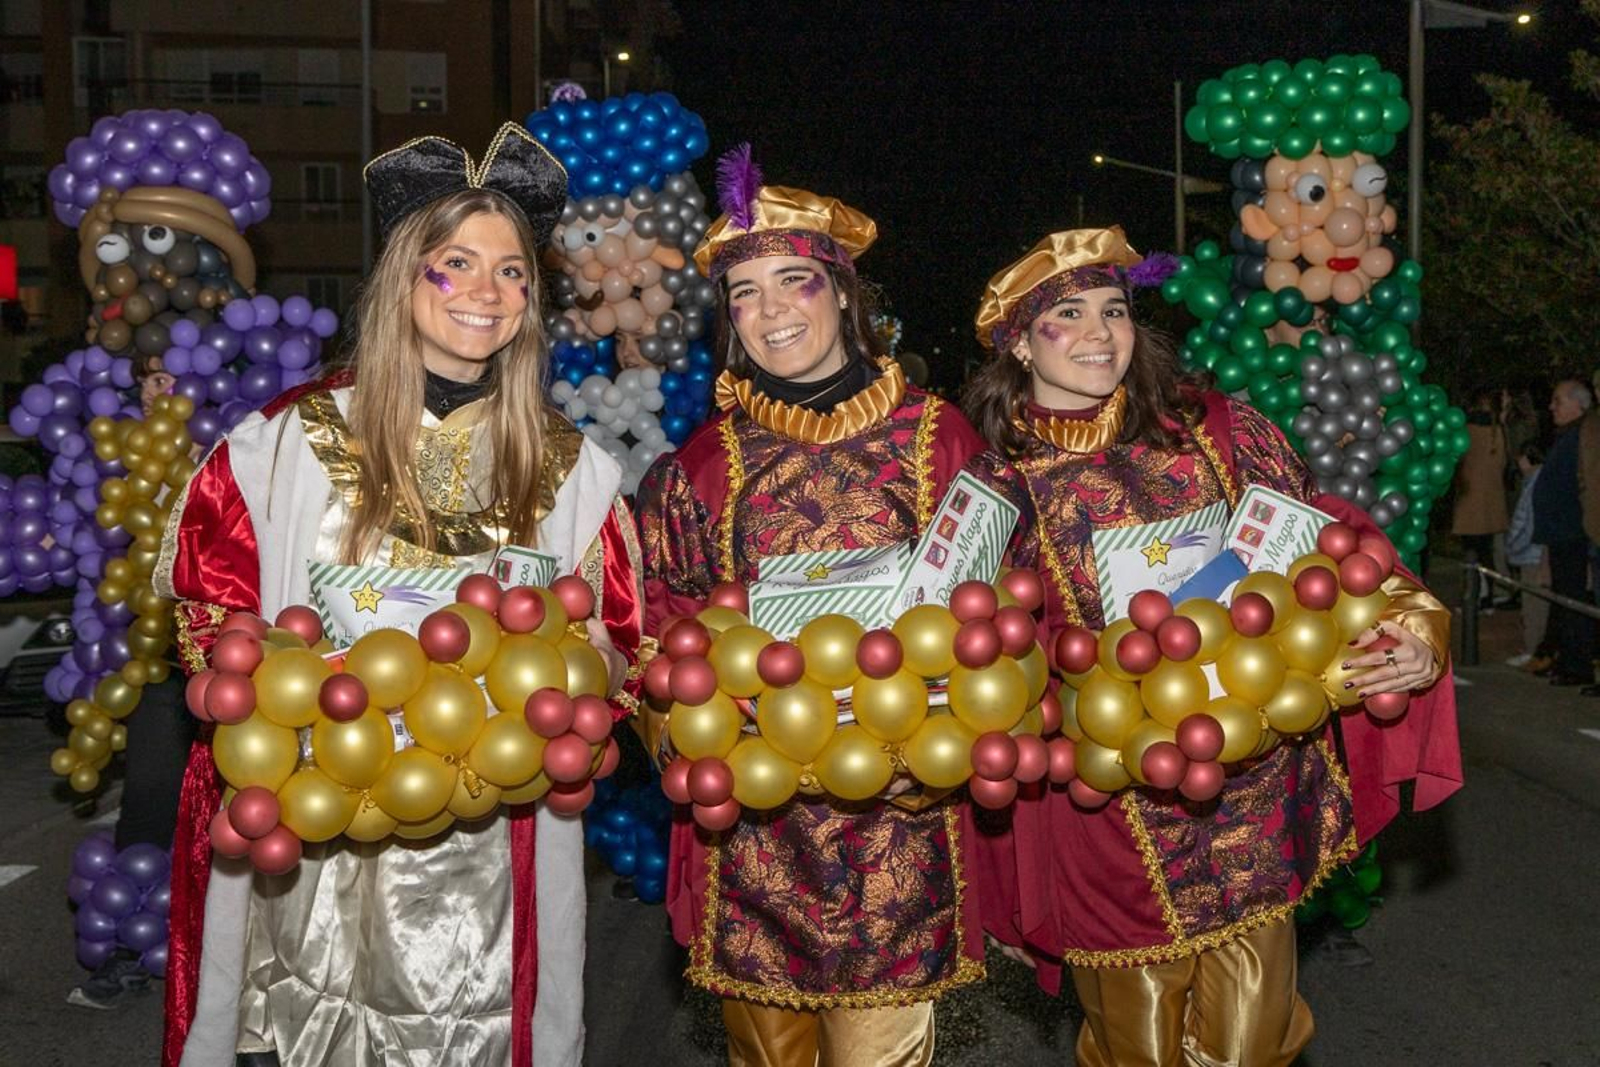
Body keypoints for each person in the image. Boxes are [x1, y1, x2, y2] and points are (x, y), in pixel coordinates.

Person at [153, 124, 642, 1067]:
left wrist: (584, 680)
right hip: (316, 841)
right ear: (402, 279)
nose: (483, 293)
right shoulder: (277, 447)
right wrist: (269, 677)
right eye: (453, 263)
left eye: (510, 272)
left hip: (490, 847)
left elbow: (617, 639)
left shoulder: (575, 471)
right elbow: (207, 612)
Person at [961, 227, 1461, 1067]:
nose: (1098, 333)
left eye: (1114, 310)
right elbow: (976, 676)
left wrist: (1410, 624)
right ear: (1017, 340)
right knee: (1137, 1047)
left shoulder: (1215, 432)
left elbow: (1327, 551)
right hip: (1108, 824)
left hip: (1251, 801)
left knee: (1250, 1045)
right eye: (1066, 315)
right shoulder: (991, 490)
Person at [633, 148, 988, 1066]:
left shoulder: (937, 437)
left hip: (900, 831)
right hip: (753, 841)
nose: (771, 311)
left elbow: (994, 615)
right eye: (744, 293)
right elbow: (659, 629)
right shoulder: (702, 467)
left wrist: (943, 746)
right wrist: (679, 722)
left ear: (844, 296)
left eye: (794, 281)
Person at [1533, 379, 1596, 688]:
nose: (1551, 407)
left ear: (1578, 404)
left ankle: (1577, 664)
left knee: (1574, 600)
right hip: (1562, 532)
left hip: (1574, 531)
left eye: (1558, 400)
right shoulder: (1570, 435)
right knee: (1565, 599)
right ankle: (1565, 658)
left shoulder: (1584, 435)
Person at [1451, 390, 1510, 611]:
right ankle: (1486, 598)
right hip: (1492, 502)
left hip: (1469, 502)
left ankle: (1473, 598)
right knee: (1486, 554)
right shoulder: (1498, 433)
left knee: (1471, 554)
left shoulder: (1467, 432)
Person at [1505, 441, 1549, 669]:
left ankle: (1533, 650)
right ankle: (1535, 648)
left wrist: (1512, 545)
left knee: (1533, 607)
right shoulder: (1542, 480)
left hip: (1531, 553)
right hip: (1536, 551)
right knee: (1536, 605)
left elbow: (1525, 522)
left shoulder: (1533, 484)